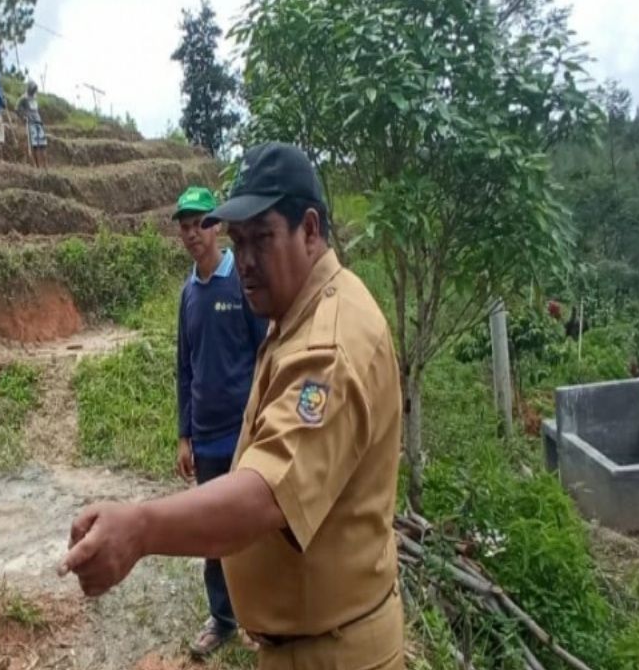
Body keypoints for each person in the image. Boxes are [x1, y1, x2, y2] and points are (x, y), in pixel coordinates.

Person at [60, 143, 405, 670]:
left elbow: (268, 495)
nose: (245, 261)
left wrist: (141, 528)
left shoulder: (329, 348)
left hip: (334, 655)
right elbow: (188, 364)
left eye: (261, 239)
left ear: (309, 230)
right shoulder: (294, 311)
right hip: (306, 644)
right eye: (239, 242)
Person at [172, 185, 268, 658]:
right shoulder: (189, 294)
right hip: (206, 437)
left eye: (200, 223)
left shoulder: (241, 283)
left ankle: (258, 616)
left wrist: (265, 421)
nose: (192, 234)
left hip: (245, 433)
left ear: (217, 227)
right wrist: (183, 434)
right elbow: (184, 367)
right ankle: (223, 617)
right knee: (213, 532)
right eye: (186, 227)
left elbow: (265, 352)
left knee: (248, 529)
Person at [16, 80, 48, 170]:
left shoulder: (35, 97)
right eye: (33, 89)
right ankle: (38, 167)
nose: (34, 91)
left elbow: (36, 110)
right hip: (31, 123)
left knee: (43, 145)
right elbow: (17, 109)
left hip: (39, 122)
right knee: (36, 146)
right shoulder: (24, 98)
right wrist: (23, 116)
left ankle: (45, 167)